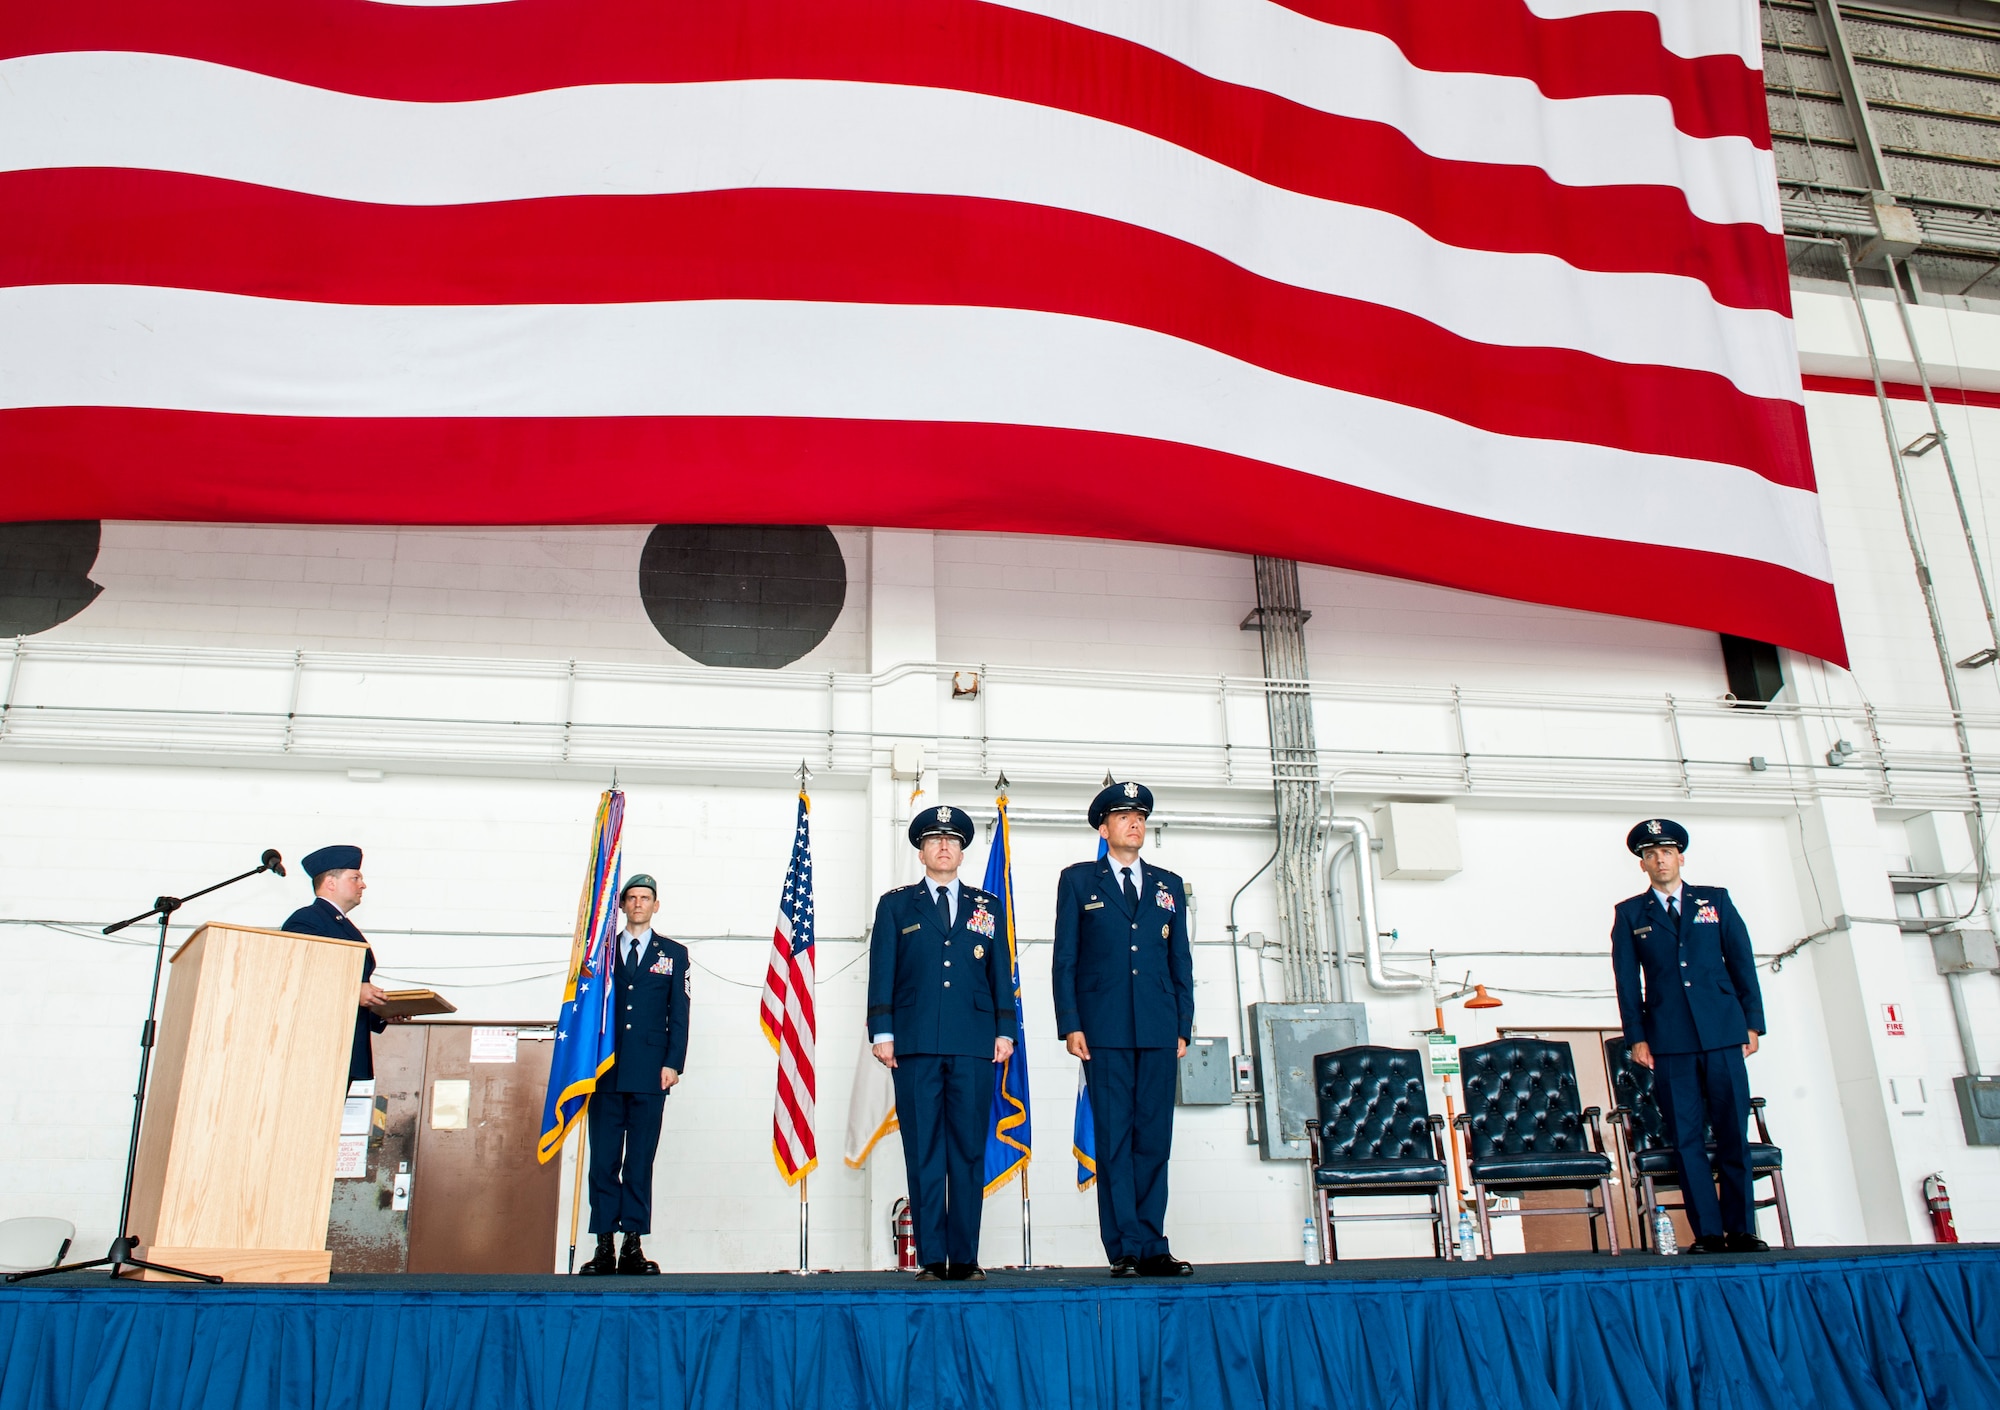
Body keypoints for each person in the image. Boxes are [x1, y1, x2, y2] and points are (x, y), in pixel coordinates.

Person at [867, 805, 1016, 1281]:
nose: (944, 847)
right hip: (913, 1045)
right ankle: (933, 1258)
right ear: (921, 851)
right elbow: (882, 973)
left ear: (963, 850)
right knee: (924, 1150)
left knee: (968, 1150)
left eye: (952, 840)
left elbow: (999, 973)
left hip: (973, 1043)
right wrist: (883, 1032)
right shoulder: (895, 906)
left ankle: (966, 1257)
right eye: (934, 840)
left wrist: (1004, 1029)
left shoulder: (987, 906)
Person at [1052, 781, 1195, 1277]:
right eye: (1123, 816)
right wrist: (1070, 1023)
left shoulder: (1168, 884)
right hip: (1104, 1029)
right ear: (1103, 827)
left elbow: (1181, 960)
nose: (1134, 823)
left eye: (1140, 816)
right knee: (1114, 1139)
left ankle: (1154, 1243)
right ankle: (1125, 1247)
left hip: (1158, 1028)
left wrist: (1183, 1025)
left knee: (1154, 1138)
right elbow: (1065, 958)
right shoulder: (1078, 881)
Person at [1610, 818, 1768, 1254]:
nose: (1659, 860)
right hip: (1669, 1040)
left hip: (1722, 1033)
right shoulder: (1629, 914)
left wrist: (1752, 1023)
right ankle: (1709, 1234)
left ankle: (1741, 1229)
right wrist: (1636, 1038)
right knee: (1687, 1138)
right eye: (1650, 854)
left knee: (1734, 1132)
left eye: (1666, 852)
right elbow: (1627, 983)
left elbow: (1742, 964)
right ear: (1642, 865)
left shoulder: (1714, 901)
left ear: (1680, 857)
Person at [579, 873, 691, 1276]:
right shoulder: (601, 953)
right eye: (632, 898)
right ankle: (604, 1243)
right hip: (606, 1072)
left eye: (646, 898)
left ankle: (633, 1244)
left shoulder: (674, 954)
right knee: (604, 1161)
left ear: (656, 905)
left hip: (649, 1073)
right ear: (622, 905)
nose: (639, 903)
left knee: (640, 1161)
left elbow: (679, 1014)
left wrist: (672, 1063)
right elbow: (586, 1008)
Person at [282, 845, 386, 1086]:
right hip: (316, 1047)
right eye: (355, 878)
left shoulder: (340, 925)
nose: (363, 885)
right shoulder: (308, 920)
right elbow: (299, 976)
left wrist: (381, 1012)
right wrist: (353, 991)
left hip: (339, 1046)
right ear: (330, 882)